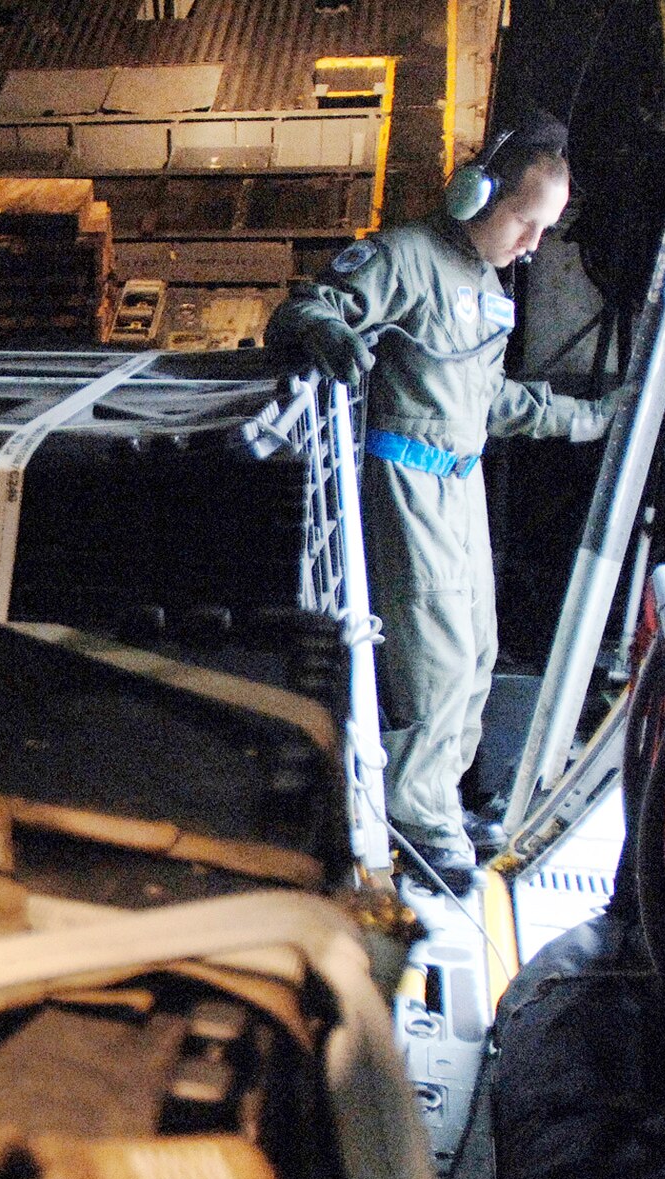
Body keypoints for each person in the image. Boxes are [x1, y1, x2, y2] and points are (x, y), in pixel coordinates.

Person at [265, 115, 631, 893]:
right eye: (525, 223)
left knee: (475, 662)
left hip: (458, 489)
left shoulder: (489, 291)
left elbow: (489, 398)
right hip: (405, 484)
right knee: (430, 668)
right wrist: (323, 333)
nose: (533, 245)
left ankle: (438, 803)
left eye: (546, 230)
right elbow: (306, 308)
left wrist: (591, 419)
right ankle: (417, 826)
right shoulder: (405, 257)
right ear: (478, 194)